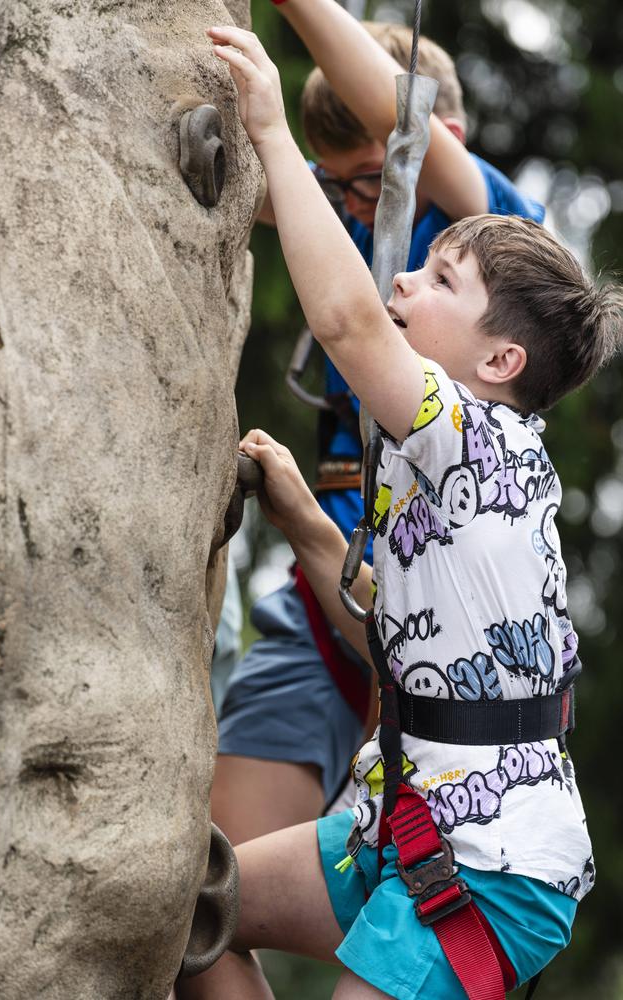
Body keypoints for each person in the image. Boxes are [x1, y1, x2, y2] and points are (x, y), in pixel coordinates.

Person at [179, 24, 622, 1000]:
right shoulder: (458, 460)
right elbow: (398, 637)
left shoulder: (469, 430)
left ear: (499, 359)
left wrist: (269, 128)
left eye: (439, 280)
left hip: (493, 864)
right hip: (403, 810)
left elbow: (340, 321)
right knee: (189, 911)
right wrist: (304, 522)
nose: (404, 279)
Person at [214, 1, 544, 846]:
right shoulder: (345, 214)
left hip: (448, 625)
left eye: (374, 181)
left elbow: (408, 125)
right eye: (338, 188)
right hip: (329, 582)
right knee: (212, 889)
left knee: (416, 898)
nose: (360, 210)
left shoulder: (481, 238)